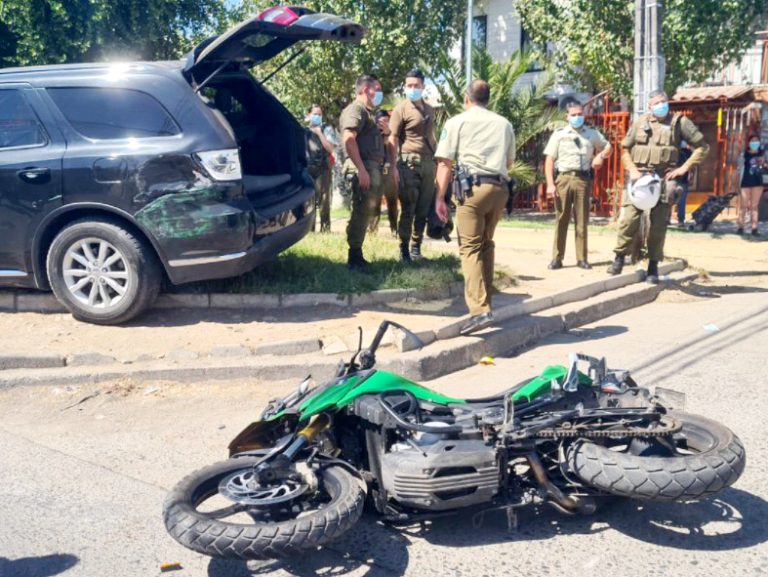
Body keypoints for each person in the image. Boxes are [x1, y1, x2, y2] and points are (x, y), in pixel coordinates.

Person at [434, 79, 516, 336]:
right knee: (486, 244)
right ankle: (486, 302)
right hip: (499, 189)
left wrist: (439, 198)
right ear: (487, 99)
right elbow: (510, 162)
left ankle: (479, 311)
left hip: (472, 190)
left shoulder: (456, 122)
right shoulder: (504, 123)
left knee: (469, 249)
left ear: (466, 98)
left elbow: (445, 163)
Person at [607, 89, 709, 283]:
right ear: (649, 106)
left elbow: (702, 147)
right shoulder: (639, 123)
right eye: (657, 103)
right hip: (639, 178)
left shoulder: (679, 123)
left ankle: (653, 266)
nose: (661, 105)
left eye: (664, 101)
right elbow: (625, 149)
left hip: (663, 179)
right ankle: (619, 258)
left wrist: (683, 168)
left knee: (658, 224)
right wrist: (632, 170)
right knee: (629, 220)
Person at [544, 100, 612, 270]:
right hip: (564, 179)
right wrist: (550, 184)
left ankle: (582, 258)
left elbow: (608, 147)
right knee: (561, 220)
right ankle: (557, 258)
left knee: (582, 221)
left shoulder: (591, 133)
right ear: (567, 117)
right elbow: (549, 160)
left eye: (580, 114)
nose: (577, 117)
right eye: (573, 115)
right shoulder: (559, 134)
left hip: (583, 180)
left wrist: (601, 157)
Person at [389, 68, 437, 262]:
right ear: (405, 86)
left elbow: (431, 137)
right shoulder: (401, 109)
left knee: (423, 208)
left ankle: (416, 248)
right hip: (409, 162)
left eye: (416, 85)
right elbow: (392, 138)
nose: (412, 89)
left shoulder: (430, 109)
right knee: (409, 206)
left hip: (427, 163)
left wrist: (439, 159)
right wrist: (392, 166)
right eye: (409, 85)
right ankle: (404, 250)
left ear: (423, 86)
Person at [339, 75, 386, 270]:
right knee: (360, 212)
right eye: (378, 88)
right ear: (366, 90)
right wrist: (361, 169)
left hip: (369, 167)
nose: (380, 93)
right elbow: (349, 139)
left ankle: (357, 255)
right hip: (362, 168)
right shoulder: (356, 109)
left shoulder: (368, 113)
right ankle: (354, 258)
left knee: (364, 212)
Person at [306, 104, 337, 233]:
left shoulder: (327, 129)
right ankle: (310, 229)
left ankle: (325, 228)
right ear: (308, 115)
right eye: (315, 114)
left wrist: (319, 133)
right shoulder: (303, 131)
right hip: (307, 169)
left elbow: (330, 148)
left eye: (319, 114)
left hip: (323, 169)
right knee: (309, 201)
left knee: (324, 201)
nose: (317, 117)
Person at [368, 109, 399, 236]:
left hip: (389, 172)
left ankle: (394, 230)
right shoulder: (371, 134)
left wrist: (387, 133)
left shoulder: (391, 134)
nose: (384, 124)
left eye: (387, 121)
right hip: (376, 172)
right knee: (375, 202)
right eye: (381, 122)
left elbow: (391, 148)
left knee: (392, 202)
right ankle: (373, 231)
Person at [737, 134, 765, 236]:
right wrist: (738, 183)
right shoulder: (744, 154)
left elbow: (765, 166)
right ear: (749, 143)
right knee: (743, 205)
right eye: (753, 140)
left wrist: (764, 162)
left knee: (754, 206)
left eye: (756, 140)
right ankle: (741, 227)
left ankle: (754, 228)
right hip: (745, 182)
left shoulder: (762, 153)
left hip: (757, 182)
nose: (755, 142)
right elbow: (739, 168)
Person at [672, 140, 692, 226]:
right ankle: (680, 220)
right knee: (680, 200)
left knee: (673, 199)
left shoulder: (674, 151)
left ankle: (677, 219)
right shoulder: (688, 152)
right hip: (679, 179)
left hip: (676, 179)